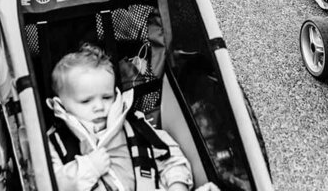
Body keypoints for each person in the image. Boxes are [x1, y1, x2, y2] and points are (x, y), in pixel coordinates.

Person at [46, 44, 213, 191]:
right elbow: (49, 185)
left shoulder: (134, 124)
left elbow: (168, 155)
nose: (99, 107)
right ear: (61, 104)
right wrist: (89, 168)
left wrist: (177, 183)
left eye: (106, 97)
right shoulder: (55, 143)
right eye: (86, 101)